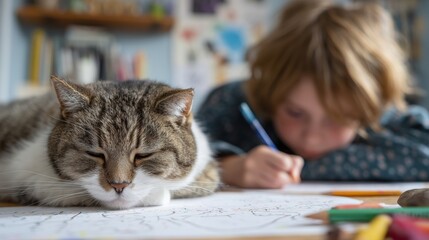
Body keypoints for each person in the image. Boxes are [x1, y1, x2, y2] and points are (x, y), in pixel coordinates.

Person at [196, 0, 429, 189]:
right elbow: (186, 158)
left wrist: (304, 169)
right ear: (270, 90)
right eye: (295, 112)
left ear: (368, 108)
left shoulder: (382, 113)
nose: (312, 138)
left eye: (337, 118)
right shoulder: (232, 100)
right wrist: (231, 167)